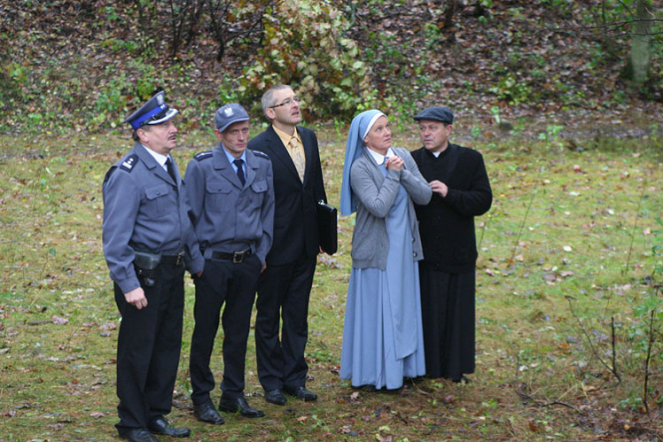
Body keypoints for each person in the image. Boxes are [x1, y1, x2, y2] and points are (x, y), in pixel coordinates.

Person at [102, 91, 204, 442]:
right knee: (138, 349)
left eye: (172, 122)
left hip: (172, 271)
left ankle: (155, 413)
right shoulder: (127, 174)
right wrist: (129, 284)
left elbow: (183, 219)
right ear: (143, 133)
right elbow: (115, 239)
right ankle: (131, 423)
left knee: (166, 345)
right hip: (144, 276)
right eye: (164, 125)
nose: (173, 129)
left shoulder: (168, 163)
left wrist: (195, 264)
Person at [185, 103, 275, 423]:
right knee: (205, 330)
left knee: (238, 331)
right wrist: (197, 263)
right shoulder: (202, 166)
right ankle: (201, 397)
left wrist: (261, 255)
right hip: (213, 263)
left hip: (247, 261)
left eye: (244, 130)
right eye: (233, 132)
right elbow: (188, 217)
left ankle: (233, 394)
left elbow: (268, 212)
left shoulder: (261, 164)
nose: (240, 137)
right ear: (218, 134)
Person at [339, 109, 432, 390]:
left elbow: (425, 196)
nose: (387, 132)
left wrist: (402, 172)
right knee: (378, 311)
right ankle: (374, 373)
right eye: (379, 129)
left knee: (403, 307)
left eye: (388, 126)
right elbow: (378, 207)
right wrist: (393, 175)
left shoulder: (401, 153)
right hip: (377, 252)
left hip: (405, 248)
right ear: (365, 139)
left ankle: (406, 369)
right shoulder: (360, 168)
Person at [247, 84, 327, 405]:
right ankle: (272, 382)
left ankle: (295, 378)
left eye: (296, 99)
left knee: (297, 315)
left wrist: (322, 234)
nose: (295, 104)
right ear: (271, 112)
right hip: (274, 248)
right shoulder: (258, 147)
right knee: (268, 316)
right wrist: (259, 248)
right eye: (286, 102)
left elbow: (316, 187)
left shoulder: (308, 138)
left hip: (306, 245)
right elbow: (253, 202)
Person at [411, 106, 492, 382]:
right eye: (422, 128)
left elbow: (483, 201)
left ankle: (455, 368)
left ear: (449, 129)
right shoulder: (412, 160)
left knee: (457, 312)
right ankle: (426, 367)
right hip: (424, 252)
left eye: (432, 127)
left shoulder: (470, 160)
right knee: (427, 311)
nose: (426, 133)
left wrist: (450, 193)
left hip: (458, 250)